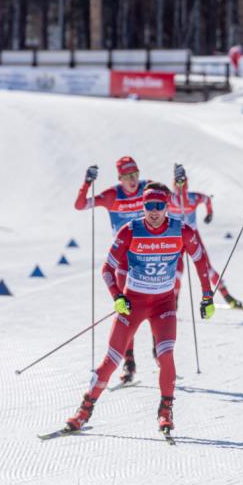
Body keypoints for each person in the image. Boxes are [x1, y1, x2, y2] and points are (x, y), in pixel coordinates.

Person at [62, 184, 216, 434]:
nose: (154, 211)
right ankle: (83, 412)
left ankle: (165, 412)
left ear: (167, 206)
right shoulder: (130, 231)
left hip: (163, 305)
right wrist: (118, 296)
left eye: (159, 206)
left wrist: (207, 296)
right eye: (148, 206)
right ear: (143, 207)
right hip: (134, 303)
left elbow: (200, 261)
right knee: (111, 361)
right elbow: (107, 269)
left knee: (166, 356)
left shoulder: (182, 230)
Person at [75, 156, 150, 385]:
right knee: (125, 311)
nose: (133, 180)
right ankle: (129, 362)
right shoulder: (112, 195)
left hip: (149, 257)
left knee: (155, 306)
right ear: (120, 178)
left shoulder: (147, 189)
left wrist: (179, 183)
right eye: (128, 176)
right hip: (124, 261)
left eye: (135, 174)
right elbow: (80, 205)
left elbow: (174, 200)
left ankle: (159, 349)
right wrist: (87, 182)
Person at [169, 170, 243, 309]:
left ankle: (227, 296)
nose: (180, 187)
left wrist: (209, 214)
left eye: (182, 183)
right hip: (176, 238)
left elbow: (207, 199)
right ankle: (174, 302)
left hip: (191, 236)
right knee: (176, 271)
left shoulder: (190, 197)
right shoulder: (170, 198)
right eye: (178, 183)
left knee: (205, 268)